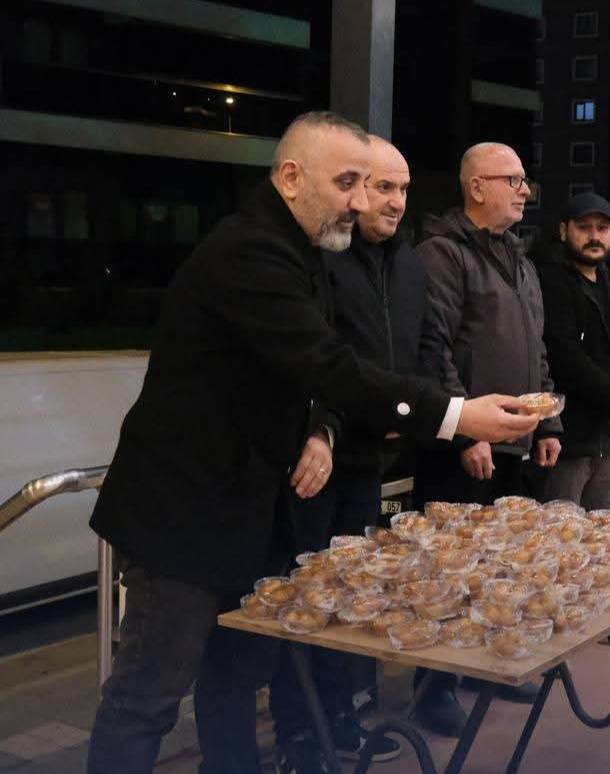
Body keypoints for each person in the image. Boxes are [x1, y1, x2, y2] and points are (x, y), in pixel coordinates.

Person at [86, 112, 539, 774]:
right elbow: (326, 363)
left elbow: (315, 371)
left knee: (236, 675)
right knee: (147, 698)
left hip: (244, 511)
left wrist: (323, 431)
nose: (360, 202)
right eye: (349, 183)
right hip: (181, 516)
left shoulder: (303, 250)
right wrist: (456, 415)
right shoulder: (251, 252)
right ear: (293, 178)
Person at [268, 136, 424, 770]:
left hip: (372, 459)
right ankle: (300, 735)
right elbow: (324, 363)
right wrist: (327, 429)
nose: (391, 201)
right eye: (380, 187)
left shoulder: (407, 263)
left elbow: (414, 353)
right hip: (317, 459)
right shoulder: (325, 259)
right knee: (309, 599)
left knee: (353, 596)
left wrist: (412, 415)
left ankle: (342, 717)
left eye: (402, 189)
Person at [411, 142, 562, 736]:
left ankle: (485, 666)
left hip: (515, 441)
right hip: (466, 446)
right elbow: (435, 350)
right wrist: (464, 434)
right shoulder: (441, 253)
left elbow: (536, 346)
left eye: (525, 181)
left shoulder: (518, 257)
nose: (525, 191)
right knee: (448, 572)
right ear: (476, 187)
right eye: (513, 180)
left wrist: (547, 421)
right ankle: (434, 688)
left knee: (499, 567)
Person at [538, 191, 610, 510]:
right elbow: (564, 356)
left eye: (602, 228)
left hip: (609, 435)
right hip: (566, 439)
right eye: (584, 227)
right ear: (564, 231)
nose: (594, 236)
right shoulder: (551, 280)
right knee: (559, 531)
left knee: (600, 529)